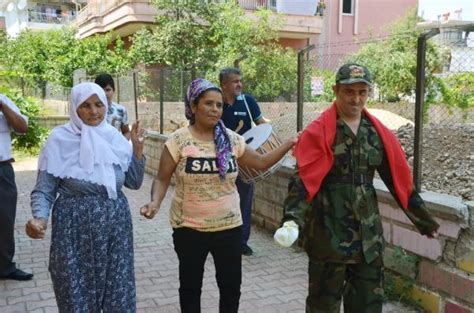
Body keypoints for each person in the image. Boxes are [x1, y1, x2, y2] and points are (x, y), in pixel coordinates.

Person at [275, 63, 440, 313]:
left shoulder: (376, 133)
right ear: (336, 91)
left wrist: (425, 222)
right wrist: (291, 220)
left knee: (367, 306)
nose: (356, 98)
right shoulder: (319, 132)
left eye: (362, 92)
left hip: (368, 240)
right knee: (323, 306)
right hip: (328, 235)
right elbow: (303, 180)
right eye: (350, 92)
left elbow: (398, 180)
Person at [140, 78, 297, 313]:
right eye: (208, 104)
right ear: (193, 107)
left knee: (231, 288)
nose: (215, 109)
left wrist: (290, 143)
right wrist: (155, 202)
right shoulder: (179, 141)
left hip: (229, 227)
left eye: (219, 105)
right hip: (189, 228)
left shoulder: (233, 140)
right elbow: (162, 178)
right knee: (191, 288)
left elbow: (261, 162)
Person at [25, 82, 146, 312]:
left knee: (118, 295)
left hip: (115, 231)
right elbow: (44, 189)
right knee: (75, 294)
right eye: (86, 105)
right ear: (74, 108)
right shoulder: (59, 140)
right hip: (72, 232)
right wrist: (39, 219)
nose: (94, 112)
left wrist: (138, 151)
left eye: (99, 105)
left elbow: (133, 182)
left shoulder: (115, 139)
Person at [219, 67, 269, 256]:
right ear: (224, 85)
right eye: (235, 81)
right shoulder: (216, 102)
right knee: (221, 201)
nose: (239, 84)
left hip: (245, 160)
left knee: (244, 201)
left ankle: (241, 242)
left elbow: (261, 123)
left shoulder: (248, 102)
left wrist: (270, 135)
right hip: (221, 161)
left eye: (240, 80)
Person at [0, 93, 32, 281]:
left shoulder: (4, 100)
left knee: (4, 219)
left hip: (3, 169)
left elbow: (22, 128)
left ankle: (5, 266)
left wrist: (3, 106)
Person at [95, 73, 131, 139]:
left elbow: (126, 132)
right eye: (100, 90)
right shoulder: (90, 111)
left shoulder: (121, 110)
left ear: (114, 90)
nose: (104, 93)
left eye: (108, 90)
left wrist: (121, 145)